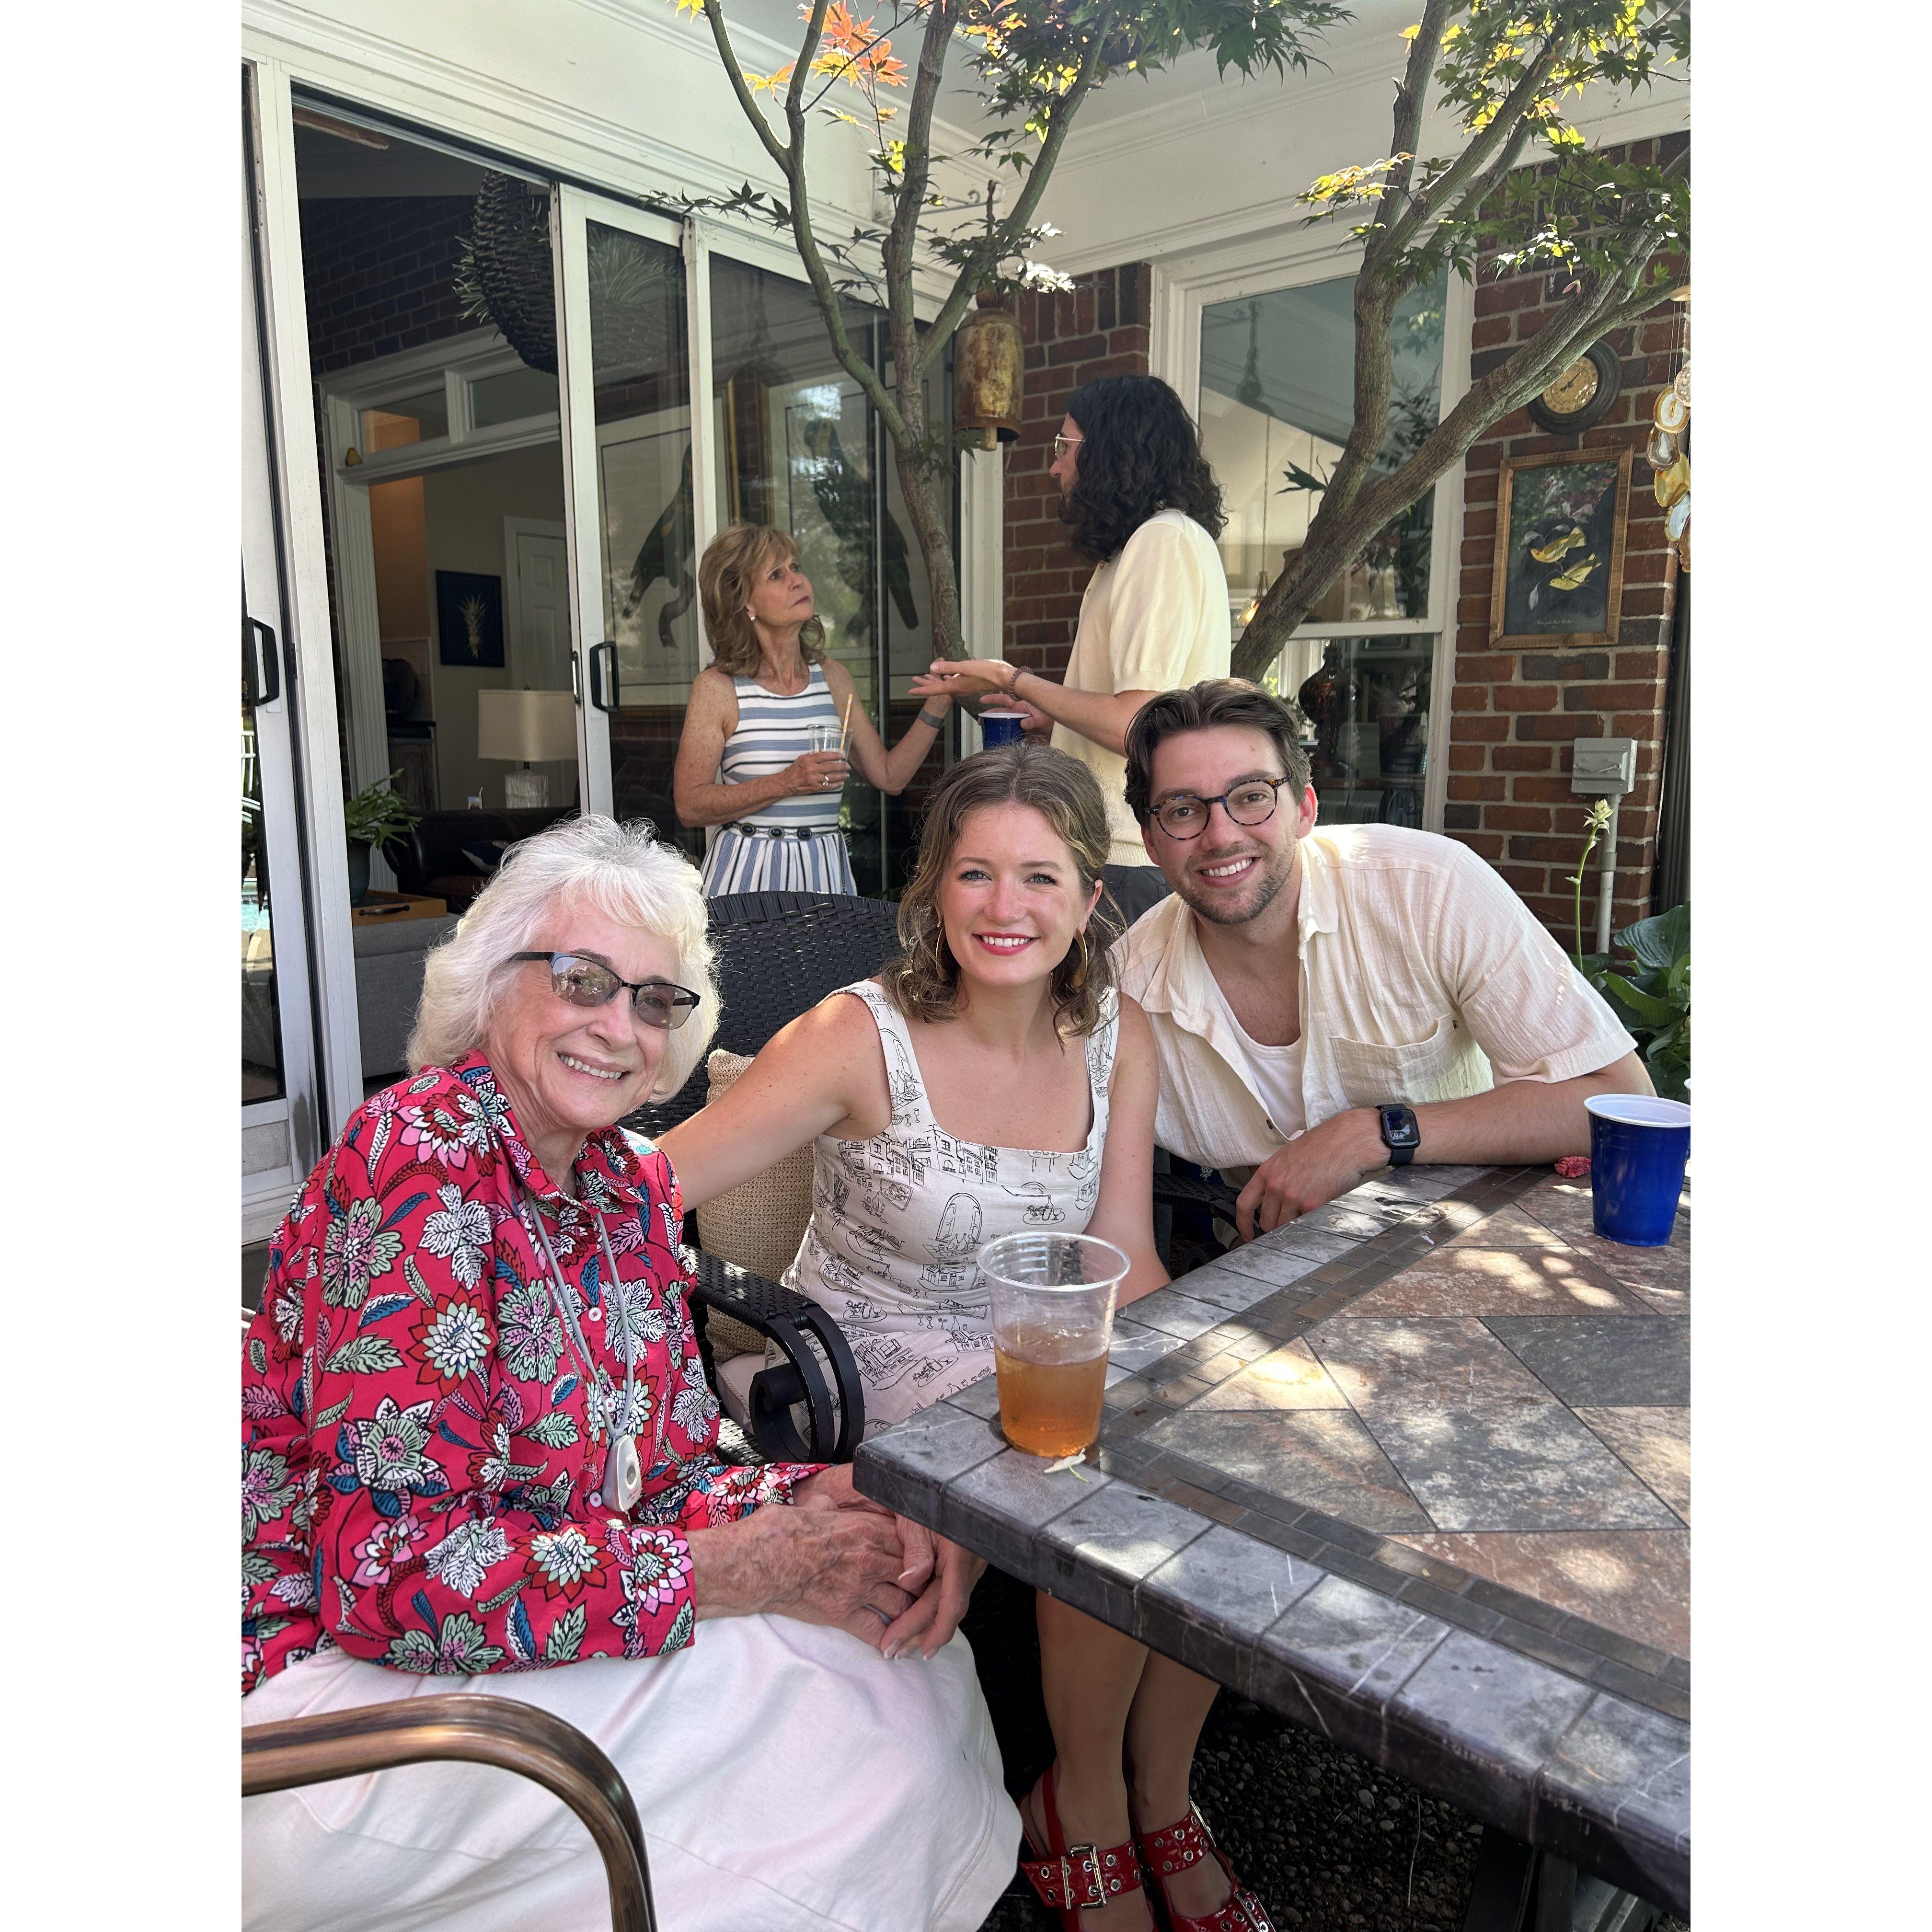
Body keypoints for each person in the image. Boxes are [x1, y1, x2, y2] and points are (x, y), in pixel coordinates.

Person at [241, 816, 1017, 1932]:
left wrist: (824, 1498)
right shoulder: (414, 1165)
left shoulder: (624, 1187)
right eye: (582, 980)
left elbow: (657, 1479)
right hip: (340, 1706)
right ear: (488, 984)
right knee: (839, 1753)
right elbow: (390, 1575)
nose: (619, 1027)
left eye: (655, 1000)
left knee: (900, 1662)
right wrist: (732, 1571)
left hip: (530, 1633)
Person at [663, 744, 1274, 1932]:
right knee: (1088, 1482)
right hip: (861, 1363)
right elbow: (654, 1187)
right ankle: (1084, 1810)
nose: (1008, 909)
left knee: (1211, 1462)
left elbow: (1128, 1256)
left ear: (1092, 901)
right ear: (935, 889)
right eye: (978, 875)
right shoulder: (855, 1037)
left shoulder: (1121, 1038)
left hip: (1044, 1357)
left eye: (1042, 879)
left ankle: (1164, 1793)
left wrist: (1190, 1401)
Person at [1116, 679, 1655, 1242]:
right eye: (1183, 810)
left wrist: (1373, 1134)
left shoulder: (1429, 891)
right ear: (1152, 843)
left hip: (1473, 1243)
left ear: (1304, 808)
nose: (1221, 835)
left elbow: (1618, 1100)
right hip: (1266, 1273)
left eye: (1252, 795)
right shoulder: (1128, 991)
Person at [912, 373, 1230, 926]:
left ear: (1110, 450)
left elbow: (1137, 723)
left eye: (1065, 447)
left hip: (1133, 854)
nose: (1055, 466)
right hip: (1119, 847)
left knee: (1105, 1014)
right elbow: (1137, 709)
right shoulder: (1137, 549)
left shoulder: (1162, 541)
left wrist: (1011, 679)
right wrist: (1055, 724)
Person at [675, 522, 951, 892]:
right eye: (776, 574)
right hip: (746, 877)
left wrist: (939, 702)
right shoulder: (718, 688)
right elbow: (690, 805)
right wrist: (787, 782)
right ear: (744, 602)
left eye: (795, 567)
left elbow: (890, 776)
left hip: (823, 873)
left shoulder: (833, 678)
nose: (797, 581)